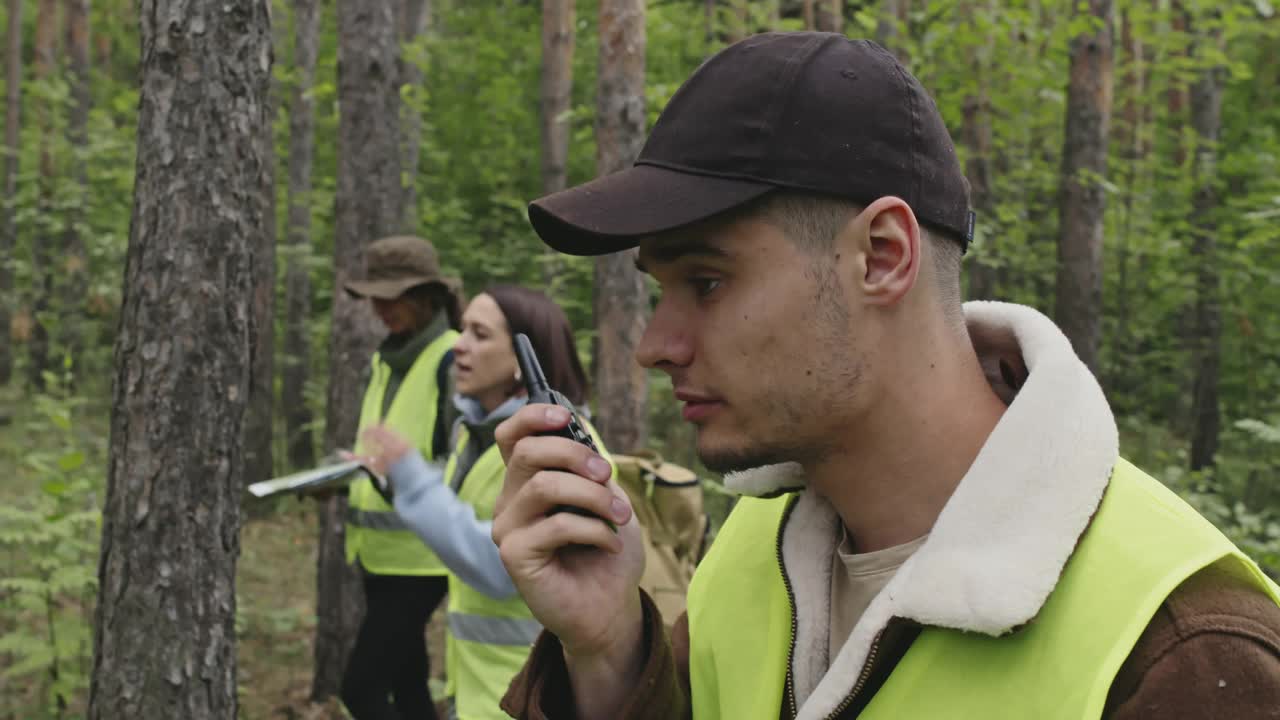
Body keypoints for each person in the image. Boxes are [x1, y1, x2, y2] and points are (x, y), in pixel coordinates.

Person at [488, 32, 1280, 720]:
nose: (653, 346)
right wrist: (606, 656)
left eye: (707, 281)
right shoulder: (756, 553)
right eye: (661, 291)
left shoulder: (1184, 649)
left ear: (883, 256)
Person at [352, 285, 606, 720]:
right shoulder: (474, 432)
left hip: (531, 698)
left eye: (480, 334)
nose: (460, 346)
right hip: (477, 692)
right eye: (462, 328)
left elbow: (504, 568)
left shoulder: (556, 444)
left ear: (524, 358)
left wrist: (414, 482)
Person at [337, 235, 462, 720]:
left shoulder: (453, 359)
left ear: (426, 296)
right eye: (375, 297)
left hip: (423, 557)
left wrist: (398, 476)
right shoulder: (386, 359)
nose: (380, 308)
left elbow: (462, 463)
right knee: (409, 687)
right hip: (380, 555)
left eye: (393, 297)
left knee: (361, 689)